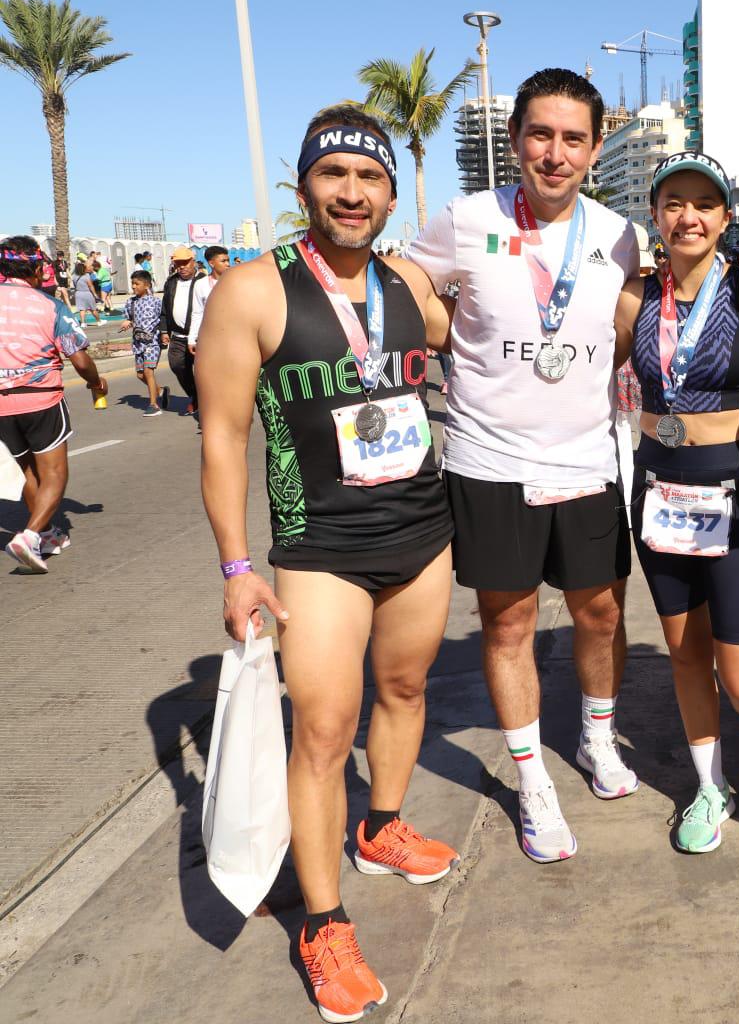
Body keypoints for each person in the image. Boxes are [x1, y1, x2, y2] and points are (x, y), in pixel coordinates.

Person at [198, 104, 460, 1023]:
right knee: (321, 728)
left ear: (391, 193)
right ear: (304, 185)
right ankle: (323, 923)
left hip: (422, 531)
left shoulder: (409, 288)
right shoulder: (252, 292)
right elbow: (225, 438)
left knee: (406, 688)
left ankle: (381, 826)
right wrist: (237, 568)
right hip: (320, 549)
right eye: (334, 176)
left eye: (370, 179)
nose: (352, 193)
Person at [405, 68, 641, 864]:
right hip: (490, 460)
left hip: (587, 459)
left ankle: (597, 739)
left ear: (595, 148)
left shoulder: (616, 234)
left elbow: (630, 317)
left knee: (600, 616)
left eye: (573, 138)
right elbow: (406, 278)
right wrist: (439, 326)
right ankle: (532, 779)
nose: (555, 153)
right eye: (540, 135)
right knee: (507, 625)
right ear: (515, 142)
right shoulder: (466, 220)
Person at [613, 151, 739, 852]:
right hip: (657, 491)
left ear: (724, 218)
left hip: (734, 491)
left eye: (704, 204)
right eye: (674, 203)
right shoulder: (634, 297)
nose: (689, 216)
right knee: (687, 655)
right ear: (655, 215)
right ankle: (710, 786)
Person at [0, 236, 107, 571]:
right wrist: (95, 382)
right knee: (54, 473)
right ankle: (29, 536)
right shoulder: (49, 305)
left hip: (2, 406)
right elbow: (79, 357)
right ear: (35, 267)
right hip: (40, 398)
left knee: (28, 470)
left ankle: (45, 535)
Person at [160, 245, 204, 416]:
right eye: (178, 264)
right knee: (177, 365)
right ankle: (195, 396)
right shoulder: (171, 282)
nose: (182, 267)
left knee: (204, 372)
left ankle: (208, 402)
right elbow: (165, 308)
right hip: (178, 336)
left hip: (201, 337)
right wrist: (164, 331)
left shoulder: (202, 281)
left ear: (193, 262)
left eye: (185, 263)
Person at [120, 270, 165, 415]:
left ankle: (153, 404)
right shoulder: (130, 302)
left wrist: (165, 334)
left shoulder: (156, 302)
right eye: (132, 283)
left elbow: (163, 318)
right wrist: (128, 322)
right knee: (140, 375)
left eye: (136, 283)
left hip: (152, 342)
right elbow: (130, 318)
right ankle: (160, 391)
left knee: (148, 371)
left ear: (147, 285)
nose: (133, 286)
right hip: (138, 343)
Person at [187, 245, 230, 356]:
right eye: (223, 261)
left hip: (234, 337)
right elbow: (197, 312)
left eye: (228, 260)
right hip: (212, 338)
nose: (228, 264)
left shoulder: (236, 281)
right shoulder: (201, 284)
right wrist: (192, 338)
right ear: (211, 263)